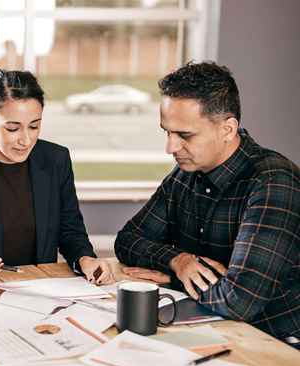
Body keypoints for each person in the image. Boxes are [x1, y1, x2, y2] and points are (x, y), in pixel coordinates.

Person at [112, 61, 299, 348]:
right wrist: (179, 261)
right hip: (216, 330)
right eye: (167, 132)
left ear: (227, 129)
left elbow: (237, 302)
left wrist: (171, 279)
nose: (170, 148)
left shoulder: (273, 182)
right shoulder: (186, 174)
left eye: (185, 135)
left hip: (277, 346)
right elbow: (128, 240)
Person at [0, 69, 107, 288]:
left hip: (41, 289)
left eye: (34, 126)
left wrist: (85, 258)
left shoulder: (56, 160)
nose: (26, 140)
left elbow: (70, 230)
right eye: (13, 128)